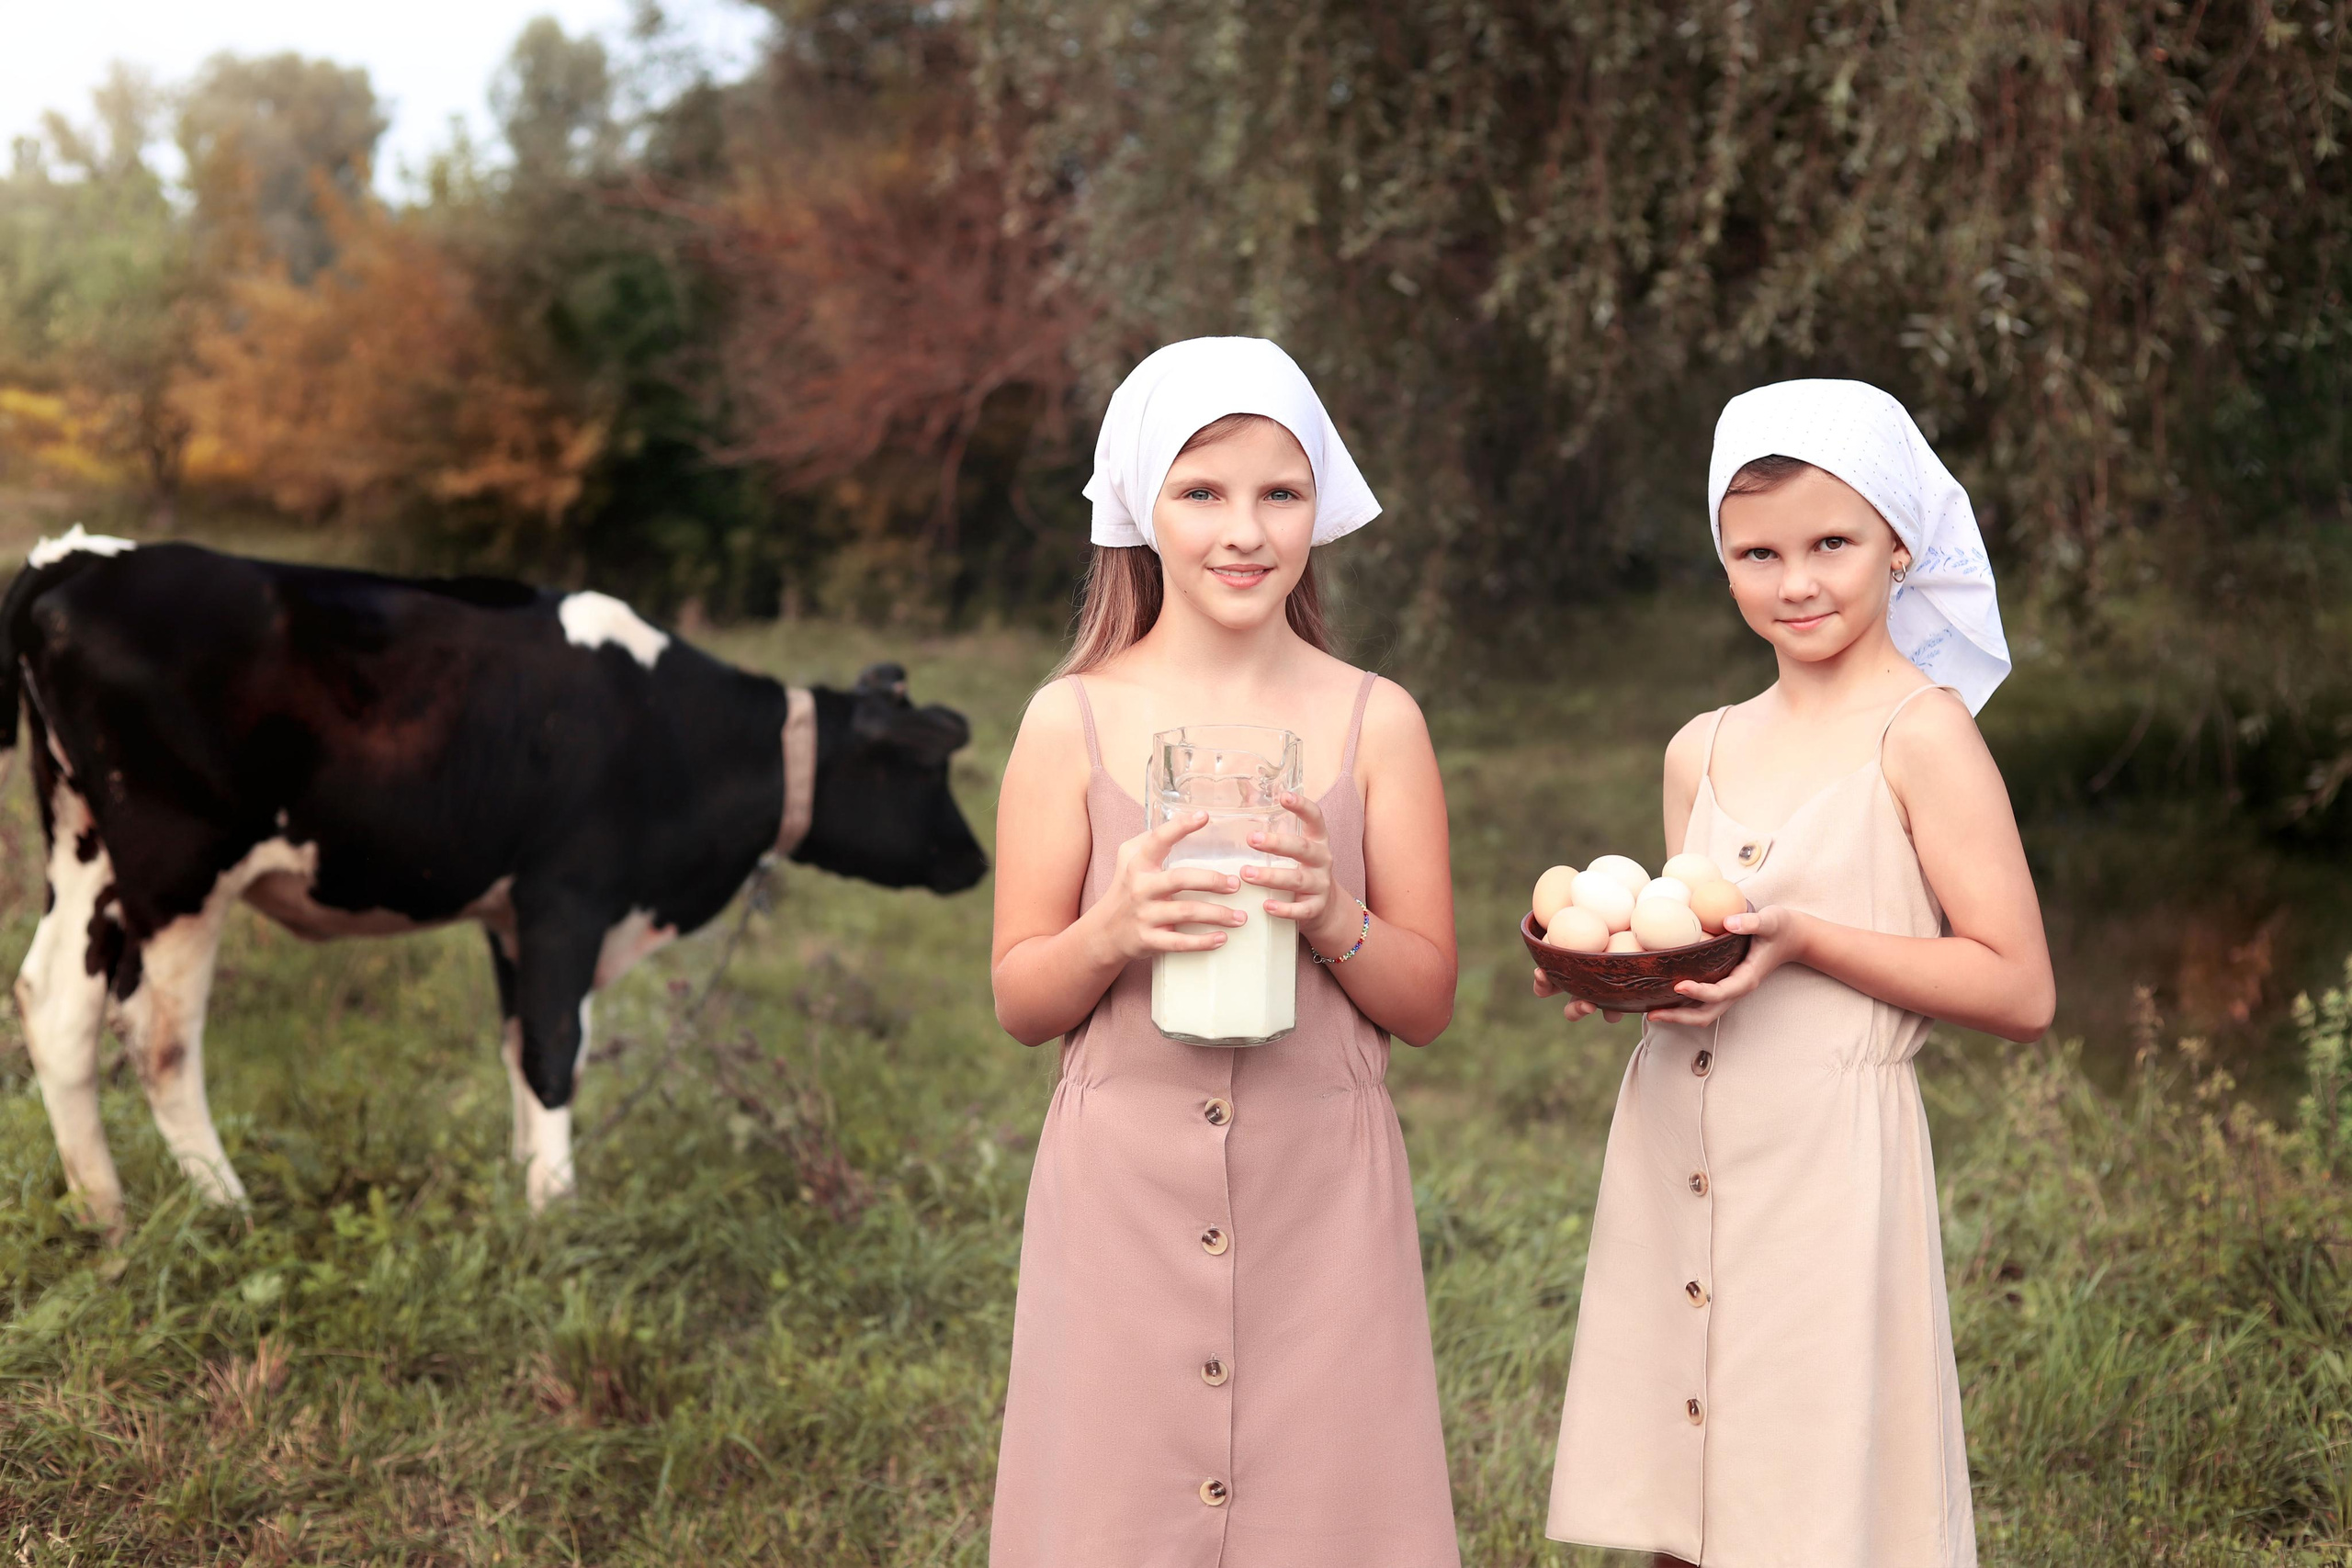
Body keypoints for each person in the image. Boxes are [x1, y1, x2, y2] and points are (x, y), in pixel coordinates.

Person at [1540, 379, 2057, 1568]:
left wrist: (1812, 939)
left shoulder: (1922, 734)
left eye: (1832, 542)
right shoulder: (1703, 745)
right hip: (1682, 1132)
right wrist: (1621, 967)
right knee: (1685, 1480)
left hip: (1829, 1156)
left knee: (1809, 1487)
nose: (1797, 581)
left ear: (1899, 544)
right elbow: (1694, 927)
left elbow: (2019, 988)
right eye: (1756, 552)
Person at [988, 337, 1461, 1568]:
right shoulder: (1068, 720)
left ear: (1322, 510)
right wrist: (1111, 930)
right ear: (1141, 503)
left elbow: (1424, 1002)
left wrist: (1332, 913)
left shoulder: (1378, 722)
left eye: (1279, 492)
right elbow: (1022, 999)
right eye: (1202, 492)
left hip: (1326, 1206)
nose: (1243, 530)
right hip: (1120, 1206)